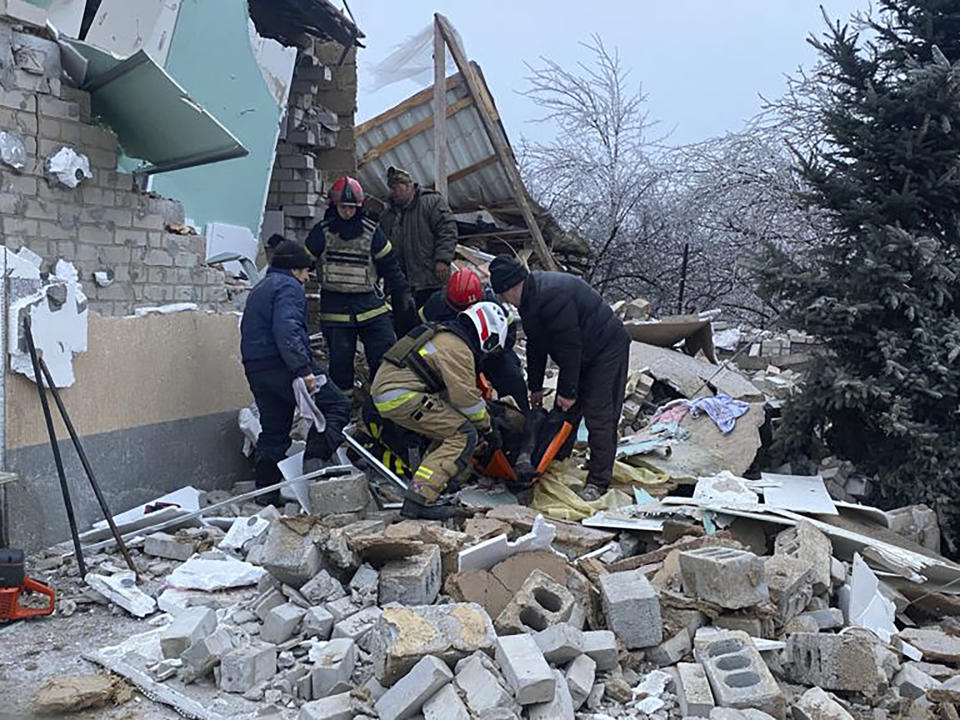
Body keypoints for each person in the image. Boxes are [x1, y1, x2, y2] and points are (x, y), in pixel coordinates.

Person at [490, 255, 631, 498]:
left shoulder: (552, 296)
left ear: (512, 286)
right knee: (565, 411)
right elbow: (536, 345)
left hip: (606, 349)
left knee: (598, 413)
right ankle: (556, 459)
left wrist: (568, 391)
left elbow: (569, 348)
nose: (506, 302)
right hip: (581, 351)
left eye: (504, 295)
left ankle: (598, 481)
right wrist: (535, 387)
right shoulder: (528, 299)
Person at [370, 301, 510, 519]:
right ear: (488, 334)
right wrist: (489, 428)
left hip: (391, 391)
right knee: (462, 434)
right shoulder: (459, 349)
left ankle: (435, 484)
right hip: (400, 395)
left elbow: (452, 397)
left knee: (447, 427)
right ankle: (420, 500)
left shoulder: (444, 335)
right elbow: (466, 401)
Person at [240, 236, 351, 502]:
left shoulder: (262, 287)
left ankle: (265, 494)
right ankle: (314, 470)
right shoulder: (289, 287)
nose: (306, 277)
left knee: (274, 430)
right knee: (336, 406)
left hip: (257, 368)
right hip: (284, 366)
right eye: (305, 271)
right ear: (295, 269)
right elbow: (287, 330)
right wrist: (303, 370)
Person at [306, 176, 415, 394]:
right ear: (335, 206)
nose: (347, 212)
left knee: (384, 358)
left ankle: (383, 405)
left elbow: (390, 266)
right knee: (340, 367)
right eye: (343, 207)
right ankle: (343, 414)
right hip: (336, 312)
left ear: (359, 207)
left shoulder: (372, 232)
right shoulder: (322, 232)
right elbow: (302, 263)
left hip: (370, 309)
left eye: (352, 208)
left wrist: (403, 292)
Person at [419, 267, 529, 412]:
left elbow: (509, 335)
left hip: (489, 354)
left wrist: (488, 355)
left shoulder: (492, 304)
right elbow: (422, 335)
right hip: (452, 357)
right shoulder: (434, 306)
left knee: (512, 377)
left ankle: (524, 416)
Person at [378, 165, 458, 308]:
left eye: (396, 187)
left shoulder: (431, 202)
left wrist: (443, 259)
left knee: (432, 321)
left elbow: (447, 230)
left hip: (429, 280)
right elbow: (381, 245)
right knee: (404, 324)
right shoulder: (388, 215)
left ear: (408, 186)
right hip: (400, 283)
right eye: (391, 188)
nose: (393, 192)